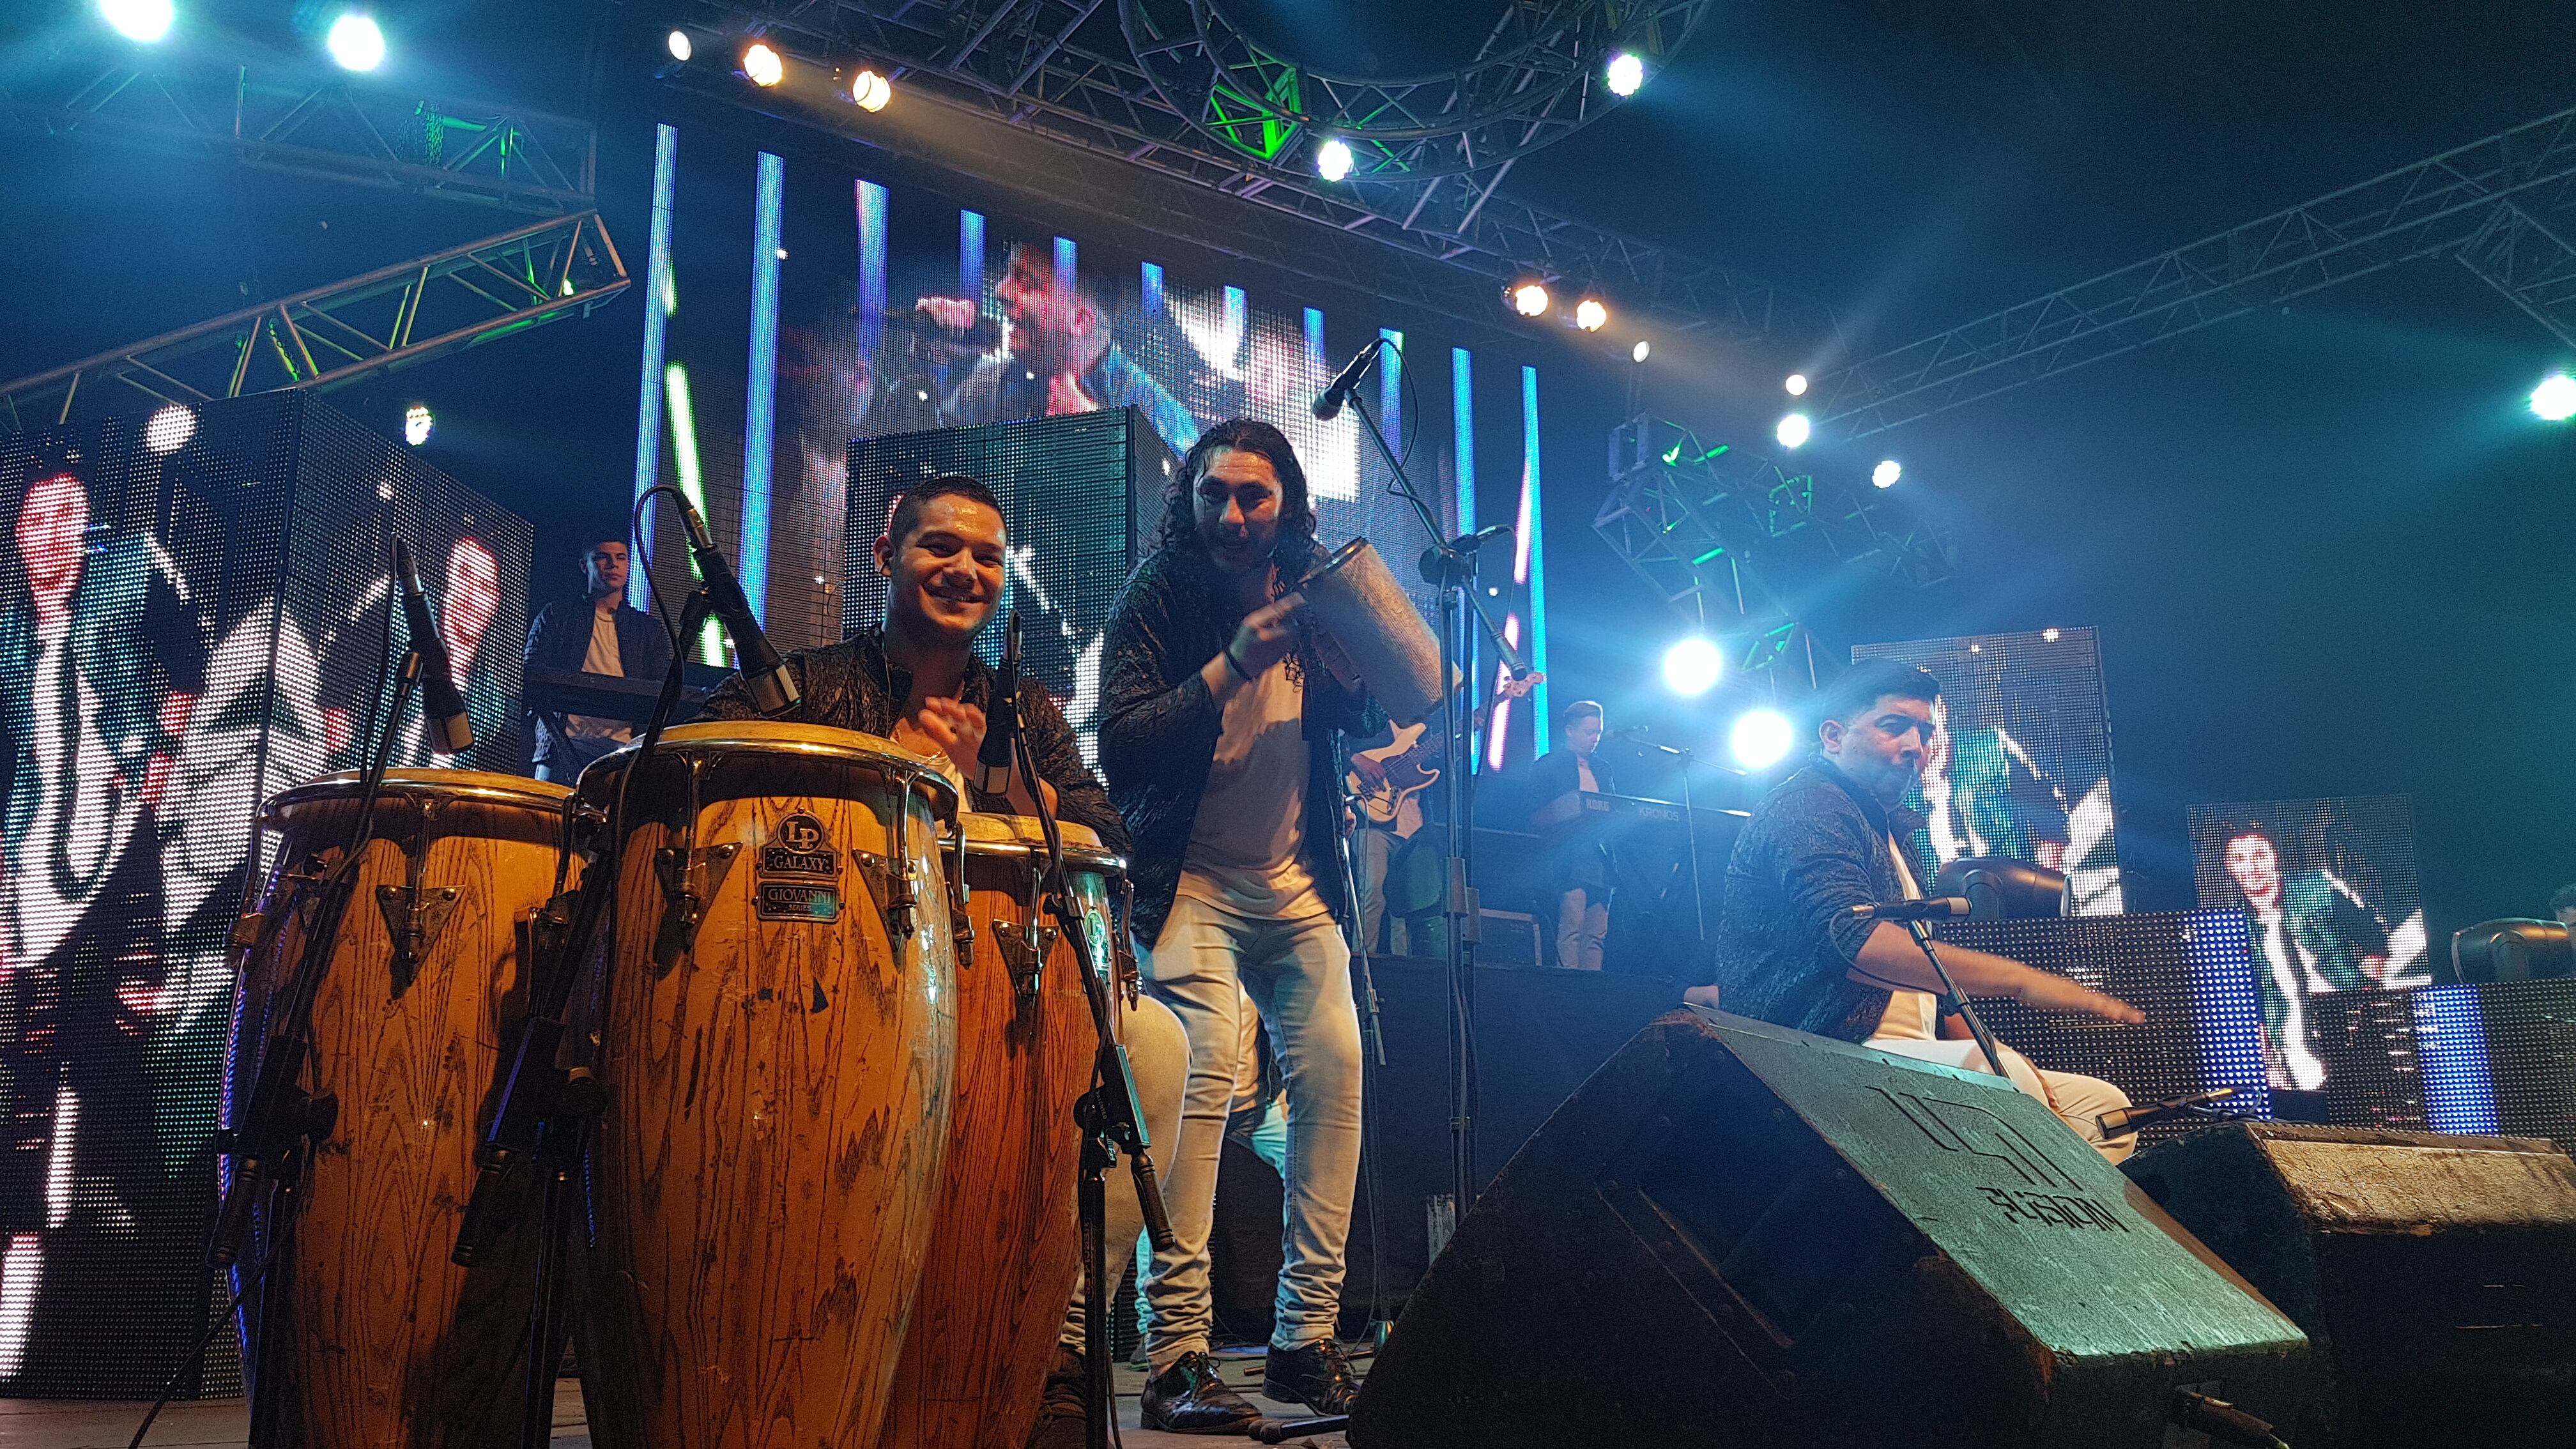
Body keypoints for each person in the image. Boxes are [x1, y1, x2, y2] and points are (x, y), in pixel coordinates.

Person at [1100, 417, 1381, 1430]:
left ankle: (1306, 1343)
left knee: (1337, 1075)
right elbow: (1120, 744)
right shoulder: (1162, 593)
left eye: (1254, 496)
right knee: (1204, 1078)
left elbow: (1376, 713)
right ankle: (1176, 1354)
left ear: (1287, 503)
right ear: (1191, 500)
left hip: (1294, 881)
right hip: (1191, 881)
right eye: (1215, 494)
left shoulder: (1318, 583)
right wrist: (1229, 663)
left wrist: (1351, 676)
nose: (1233, 515)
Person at [1696, 659, 2147, 1159]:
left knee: (2104, 1113)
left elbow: (1933, 986)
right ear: (1833, 736)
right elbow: (1853, 942)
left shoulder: (1894, 832)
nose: (1916, 746)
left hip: (1902, 1058)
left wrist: (1996, 1050)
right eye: (1894, 727)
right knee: (2010, 1084)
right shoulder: (1808, 806)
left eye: (1925, 731)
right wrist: (2022, 980)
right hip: (1817, 1051)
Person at [0, 458, 210, 1378]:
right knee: (26, 1074)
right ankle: (17, 1292)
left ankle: (165, 1298)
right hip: (33, 862)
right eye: (35, 517)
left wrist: (161, 756)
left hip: (122, 843)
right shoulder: (7, 637)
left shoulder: (130, 570)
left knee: (127, 1052)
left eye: (68, 515)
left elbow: (190, 657)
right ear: (15, 533)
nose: (52, 535)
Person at [914, 241, 1200, 454]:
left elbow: (1175, 507)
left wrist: (1098, 434)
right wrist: (925, 350)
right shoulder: (986, 380)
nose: (1000, 292)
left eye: (1027, 283)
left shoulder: (1159, 413)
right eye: (1008, 275)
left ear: (1080, 320)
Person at [2218, 823, 2395, 1092]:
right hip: (2292, 1037)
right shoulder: (2234, 923)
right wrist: (2268, 1058)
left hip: (2346, 1015)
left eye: (2259, 855)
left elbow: (2374, 937)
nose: (2252, 867)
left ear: (2275, 856)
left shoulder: (2316, 889)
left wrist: (2365, 992)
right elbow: (2250, 997)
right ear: (2229, 867)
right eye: (2239, 859)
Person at [522, 535, 673, 783]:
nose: (612, 564)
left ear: (628, 566)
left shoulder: (648, 630)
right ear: (585, 565)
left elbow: (660, 691)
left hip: (624, 752)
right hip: (561, 746)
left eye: (620, 558)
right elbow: (531, 675)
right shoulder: (557, 615)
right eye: (603, 557)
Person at [1526, 699, 1616, 970]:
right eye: (1589, 732)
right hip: (1568, 859)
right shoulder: (1549, 765)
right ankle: (1568, 986)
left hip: (1600, 860)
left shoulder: (1603, 768)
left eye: (1598, 733)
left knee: (1597, 934)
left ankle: (1593, 988)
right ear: (1570, 731)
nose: (1595, 739)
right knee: (1571, 927)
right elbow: (1536, 815)